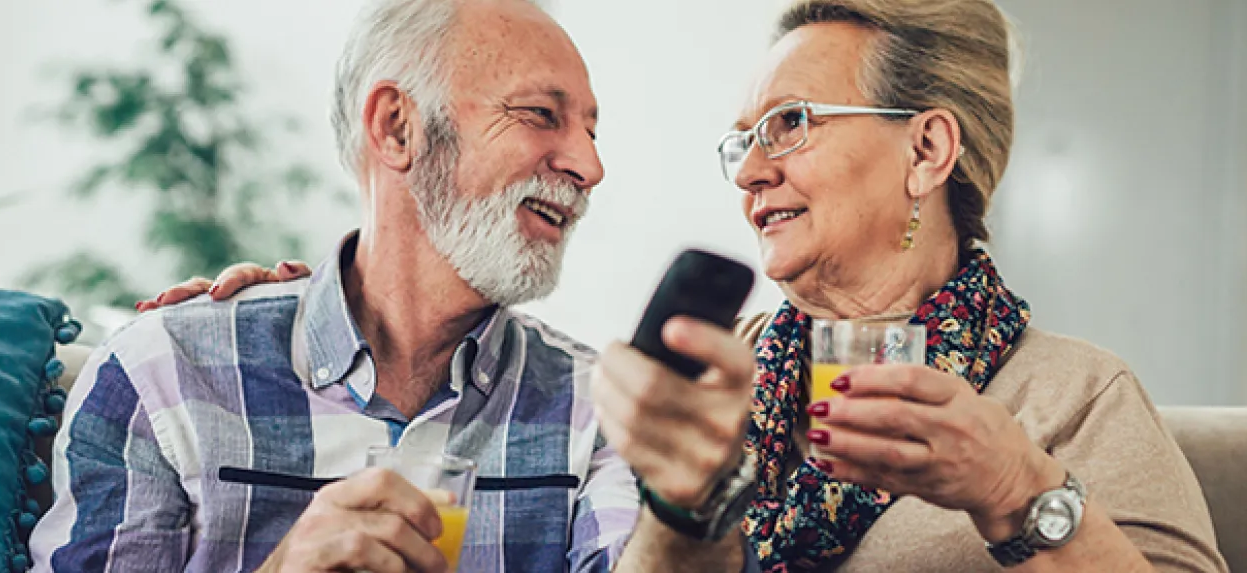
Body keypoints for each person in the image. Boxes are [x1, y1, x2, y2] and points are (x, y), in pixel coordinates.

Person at [162, 0, 1231, 571]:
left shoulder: (1072, 399)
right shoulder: (699, 378)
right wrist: (297, 313)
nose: (754, 168)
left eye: (790, 127)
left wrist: (1016, 495)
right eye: (742, 144)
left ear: (928, 149)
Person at [28, 0, 761, 571]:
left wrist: (686, 506)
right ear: (397, 126)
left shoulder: (598, 410)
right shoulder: (162, 372)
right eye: (542, 114)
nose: (588, 166)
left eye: (592, 132)